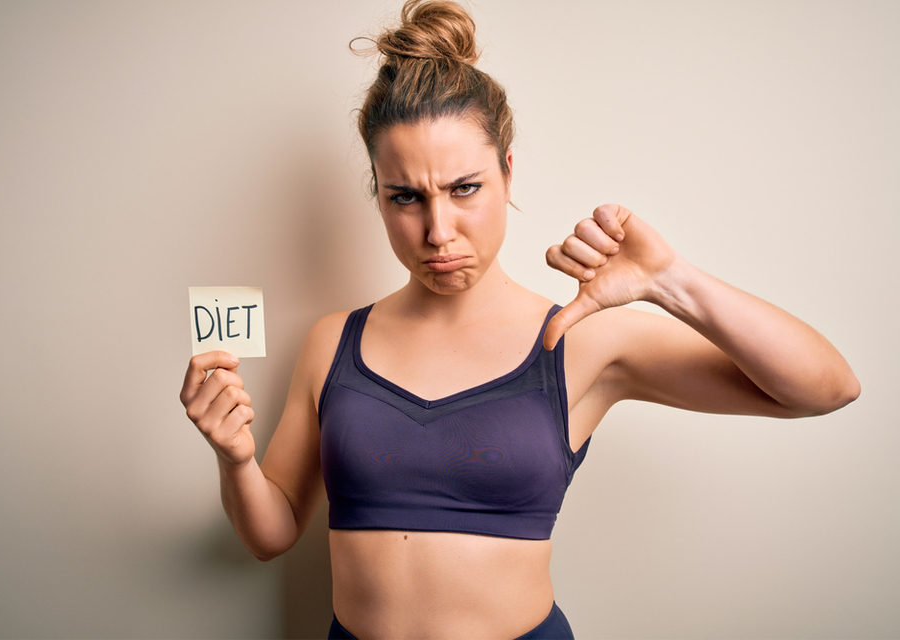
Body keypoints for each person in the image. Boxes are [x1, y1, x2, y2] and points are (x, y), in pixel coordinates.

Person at [179, 2, 860, 638]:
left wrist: (669, 281)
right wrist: (234, 456)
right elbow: (271, 536)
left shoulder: (579, 341)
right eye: (405, 197)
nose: (438, 230)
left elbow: (826, 388)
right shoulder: (333, 343)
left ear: (508, 172)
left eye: (465, 188)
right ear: (378, 194)